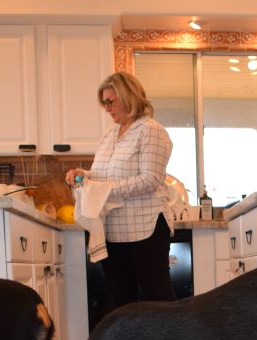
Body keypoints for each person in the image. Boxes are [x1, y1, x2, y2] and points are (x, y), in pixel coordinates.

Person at [66, 72, 175, 311]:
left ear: (127, 97)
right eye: (104, 103)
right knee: (120, 304)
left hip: (144, 229)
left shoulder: (150, 130)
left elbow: (150, 179)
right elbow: (104, 175)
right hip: (113, 231)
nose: (106, 108)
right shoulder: (110, 135)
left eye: (110, 101)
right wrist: (83, 176)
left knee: (158, 302)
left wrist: (104, 190)